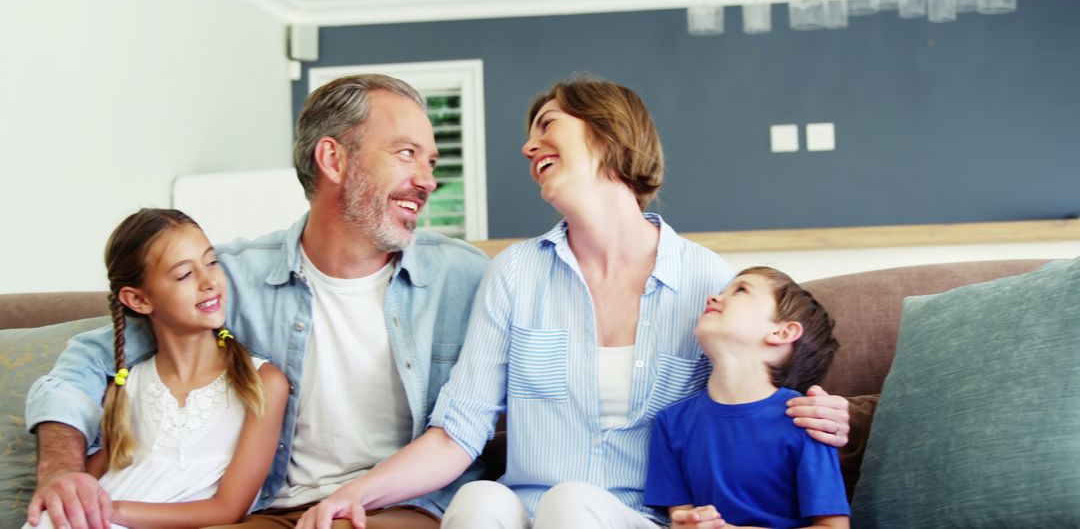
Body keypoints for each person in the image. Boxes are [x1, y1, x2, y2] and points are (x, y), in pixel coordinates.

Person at [297, 77, 852, 529]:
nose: (527, 145)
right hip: (528, 510)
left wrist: (816, 409)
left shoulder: (704, 278)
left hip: (641, 518)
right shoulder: (516, 272)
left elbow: (746, 395)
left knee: (571, 506)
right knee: (478, 503)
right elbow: (458, 432)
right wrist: (355, 495)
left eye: (547, 126)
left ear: (607, 135)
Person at [24, 74, 489, 529]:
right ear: (333, 159)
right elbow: (87, 361)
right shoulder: (227, 279)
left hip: (397, 507)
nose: (427, 180)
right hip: (269, 507)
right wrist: (61, 469)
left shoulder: (466, 278)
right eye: (407, 154)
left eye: (430, 161)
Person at [25, 209, 288, 529]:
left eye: (211, 262)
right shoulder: (126, 385)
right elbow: (88, 484)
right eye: (184, 275)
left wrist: (110, 511)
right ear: (138, 300)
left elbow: (227, 509)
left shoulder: (262, 383)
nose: (209, 282)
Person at [644, 266, 850, 529]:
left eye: (740, 290)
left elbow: (834, 527)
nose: (713, 298)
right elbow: (680, 517)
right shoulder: (670, 424)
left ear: (782, 332)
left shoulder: (806, 420)